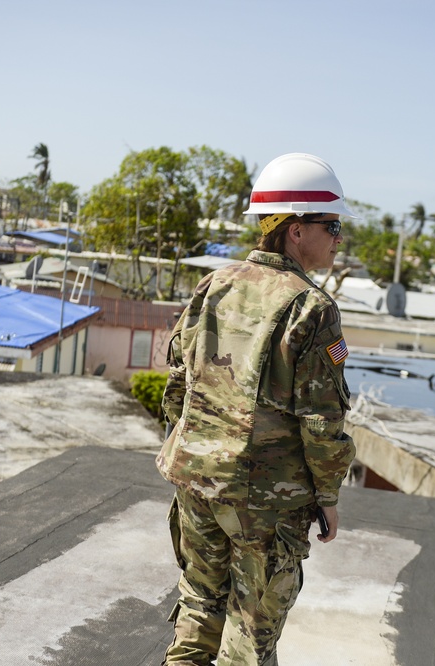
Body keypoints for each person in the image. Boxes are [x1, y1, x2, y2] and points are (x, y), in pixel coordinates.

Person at [157, 153, 357, 665]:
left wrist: (185, 451)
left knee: (199, 606)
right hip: (265, 502)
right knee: (248, 638)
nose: (338, 237)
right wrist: (329, 495)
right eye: (331, 225)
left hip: (196, 479)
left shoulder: (213, 284)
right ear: (295, 230)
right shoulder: (312, 308)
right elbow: (322, 418)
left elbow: (177, 379)